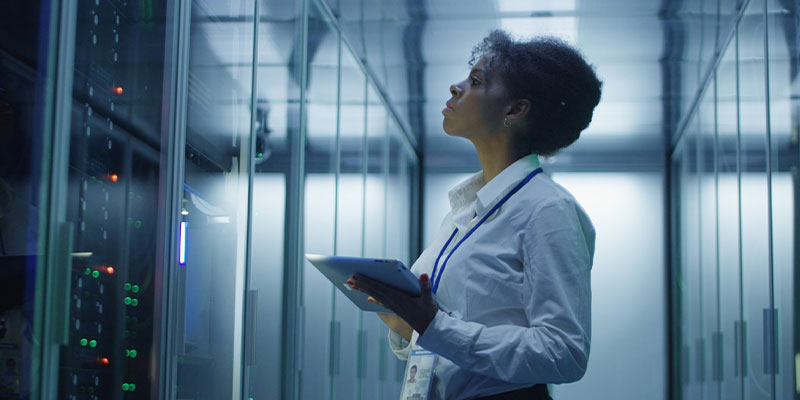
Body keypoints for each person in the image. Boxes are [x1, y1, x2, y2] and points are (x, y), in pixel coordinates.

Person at [349, 29, 601, 399]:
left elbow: (564, 352)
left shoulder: (547, 210)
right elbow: (445, 331)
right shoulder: (461, 213)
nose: (455, 87)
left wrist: (434, 325)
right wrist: (406, 320)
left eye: (476, 81)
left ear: (515, 109)